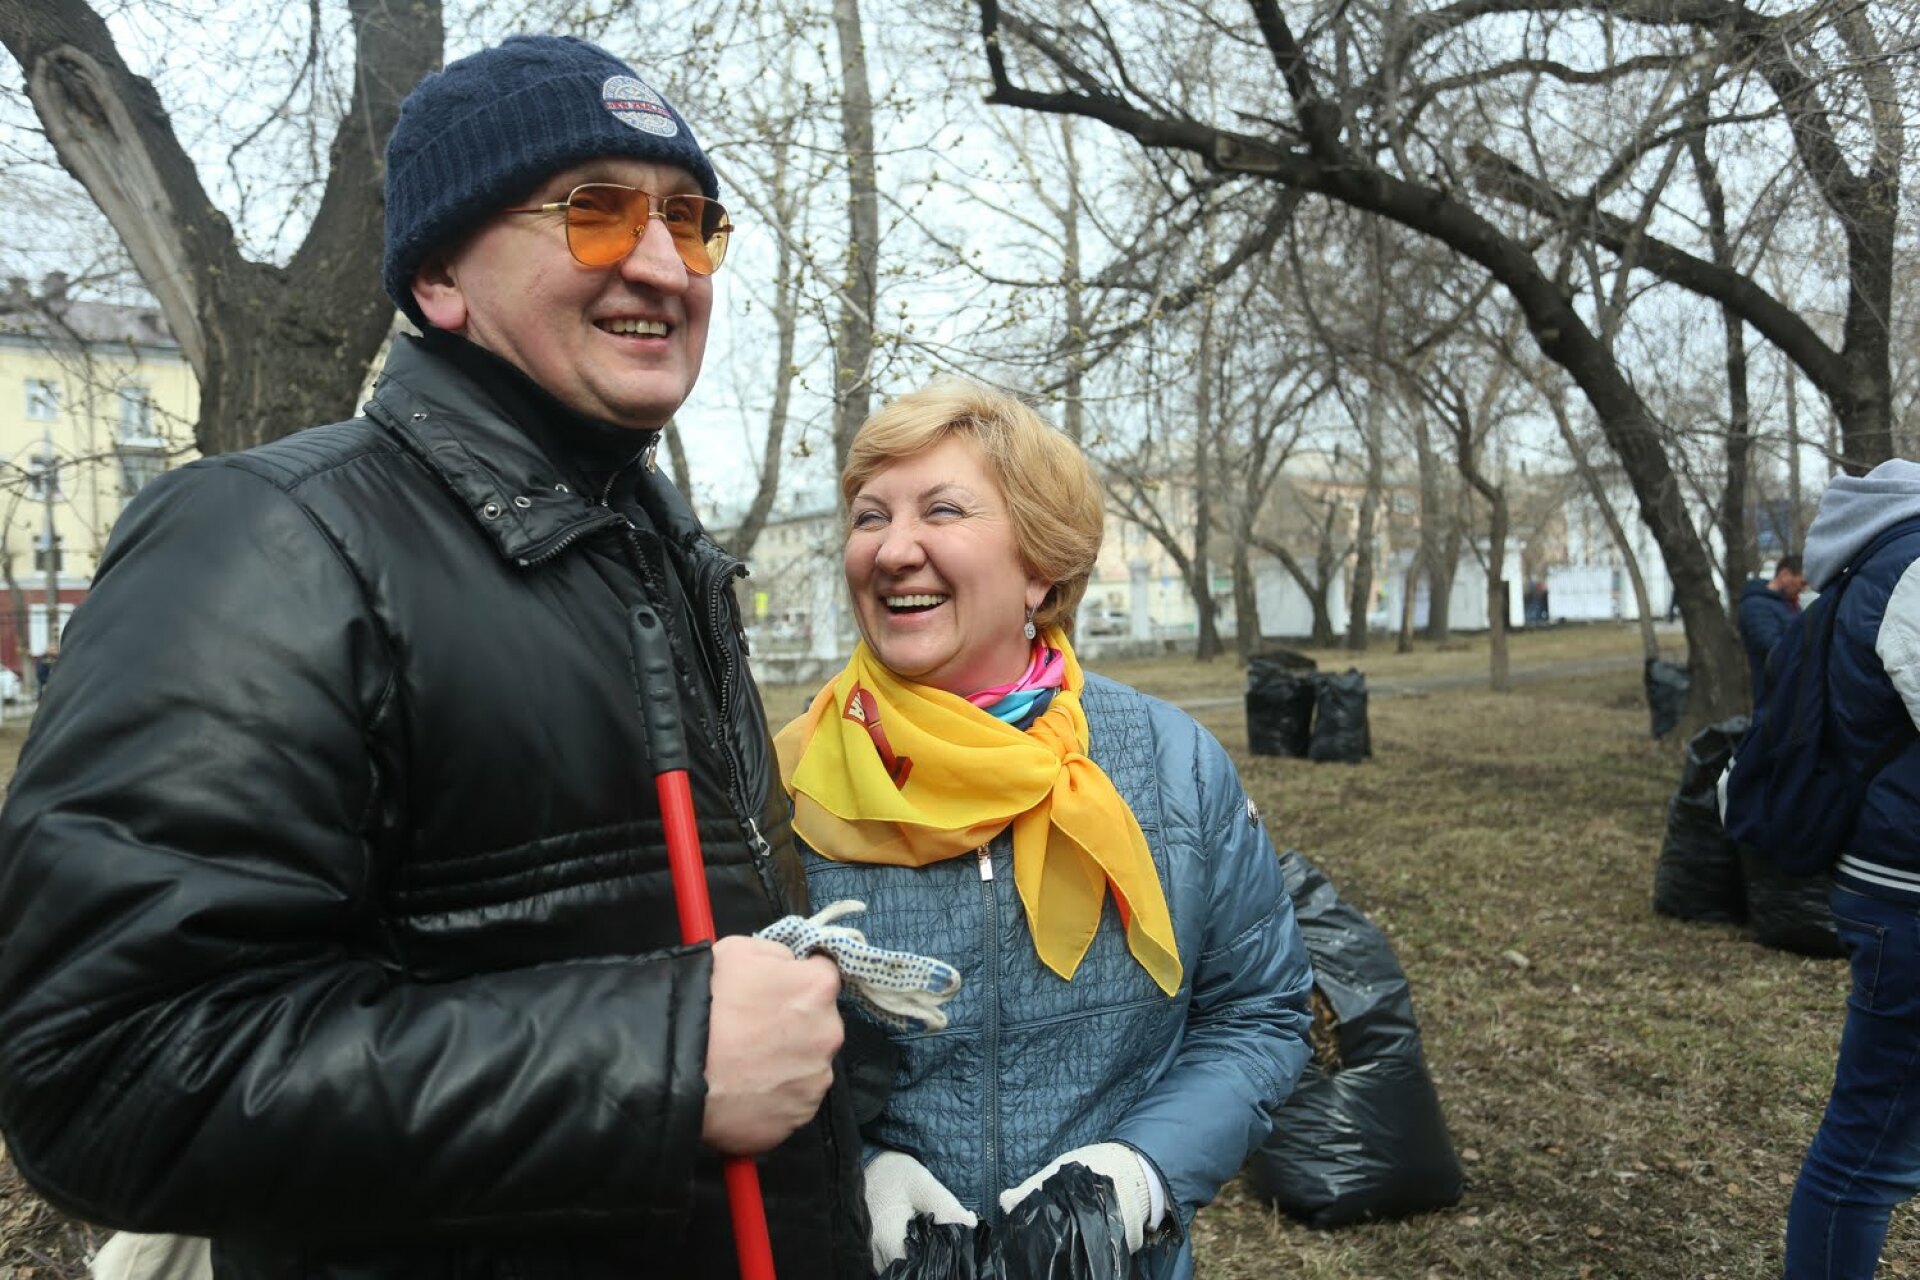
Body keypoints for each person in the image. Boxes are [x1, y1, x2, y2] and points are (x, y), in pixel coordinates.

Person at [0, 35, 869, 1280]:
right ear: (439, 275)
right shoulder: (272, 540)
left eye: (690, 219)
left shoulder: (661, 557)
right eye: (596, 212)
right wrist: (664, 1057)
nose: (665, 263)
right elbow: (106, 1072)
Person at [773, 381, 1315, 1278]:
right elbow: (730, 1043)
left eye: (942, 510)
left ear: (1041, 569)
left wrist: (1140, 1177)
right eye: (871, 516)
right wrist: (852, 1170)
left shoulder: (1173, 764)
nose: (893, 549)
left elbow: (1259, 1010)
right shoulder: (781, 784)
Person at [1782, 460, 1920, 1278]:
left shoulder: (1871, 567)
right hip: (1907, 891)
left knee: (1877, 1139)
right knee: (1866, 1156)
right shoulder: (1911, 568)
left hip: (1888, 877)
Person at [1739, 553, 1806, 699]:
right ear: (1785, 575)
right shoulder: (1756, 606)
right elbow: (1772, 646)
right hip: (1772, 694)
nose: (1803, 589)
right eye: (1801, 583)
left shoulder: (1790, 604)